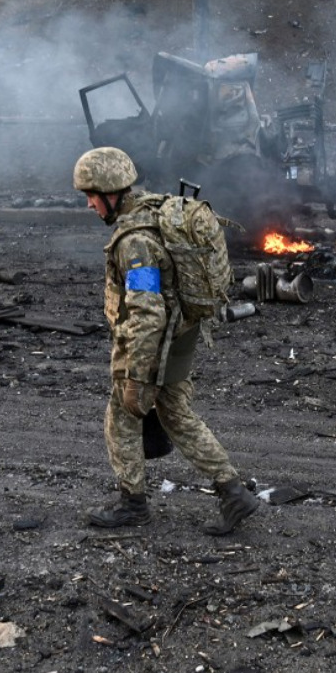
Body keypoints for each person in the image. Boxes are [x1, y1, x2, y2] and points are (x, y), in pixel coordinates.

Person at [72, 146, 262, 535]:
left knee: (122, 416)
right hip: (178, 335)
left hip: (152, 342)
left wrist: (137, 374)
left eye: (92, 195)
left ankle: (133, 504)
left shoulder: (134, 243)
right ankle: (232, 491)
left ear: (112, 192)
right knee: (177, 414)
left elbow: (146, 311)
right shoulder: (153, 210)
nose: (90, 205)